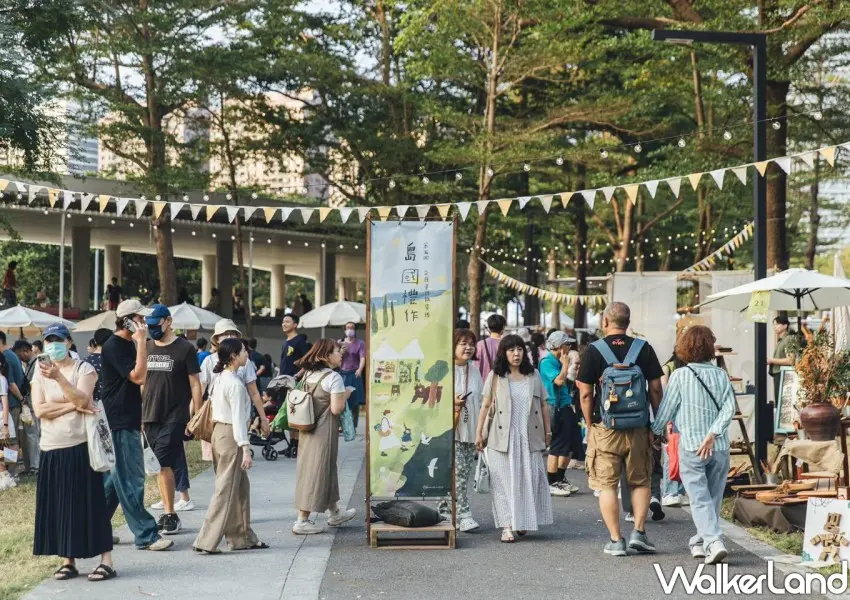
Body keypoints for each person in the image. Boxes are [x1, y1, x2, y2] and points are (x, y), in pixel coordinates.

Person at [576, 301, 663, 557]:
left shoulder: (594, 351)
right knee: (640, 480)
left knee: (607, 484)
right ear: (628, 322)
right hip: (638, 427)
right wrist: (656, 424)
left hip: (606, 428)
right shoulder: (643, 348)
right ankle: (639, 532)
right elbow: (656, 388)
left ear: (605, 322)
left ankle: (616, 540)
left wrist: (591, 424)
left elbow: (584, 392)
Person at [32, 323, 116, 582]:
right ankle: (69, 560)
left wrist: (59, 379)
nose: (53, 345)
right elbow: (40, 410)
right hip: (50, 446)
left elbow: (84, 400)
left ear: (69, 342)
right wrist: (72, 406)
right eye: (49, 341)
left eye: (58, 340)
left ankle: (106, 560)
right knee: (60, 506)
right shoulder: (39, 370)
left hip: (79, 446)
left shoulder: (84, 368)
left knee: (90, 503)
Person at [652, 325, 736, 565]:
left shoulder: (679, 375)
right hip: (718, 447)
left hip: (690, 446)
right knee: (713, 498)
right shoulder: (721, 375)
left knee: (699, 498)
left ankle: (713, 541)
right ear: (710, 347)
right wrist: (713, 433)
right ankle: (700, 542)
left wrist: (656, 433)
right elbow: (729, 408)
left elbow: (667, 409)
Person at [100, 300, 174, 551]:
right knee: (130, 479)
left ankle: (96, 528)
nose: (145, 323)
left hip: (128, 417)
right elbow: (139, 376)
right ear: (128, 320)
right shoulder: (114, 346)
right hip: (118, 420)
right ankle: (146, 534)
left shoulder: (128, 344)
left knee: (114, 481)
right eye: (140, 318)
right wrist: (142, 341)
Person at [475, 335, 553, 544]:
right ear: (503, 353)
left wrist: (548, 433)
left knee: (530, 480)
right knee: (502, 483)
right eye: (511, 350)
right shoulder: (496, 376)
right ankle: (507, 525)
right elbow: (485, 405)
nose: (516, 354)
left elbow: (544, 405)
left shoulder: (533, 374)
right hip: (500, 438)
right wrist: (479, 433)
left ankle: (523, 519)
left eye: (520, 349)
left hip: (529, 436)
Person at [194, 338, 268, 554]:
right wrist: (245, 448)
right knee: (226, 489)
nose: (248, 354)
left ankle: (241, 537)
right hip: (230, 436)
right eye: (244, 351)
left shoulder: (222, 378)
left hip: (221, 434)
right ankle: (206, 540)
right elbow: (237, 419)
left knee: (240, 488)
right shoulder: (234, 384)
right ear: (234, 356)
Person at [142, 305, 202, 535]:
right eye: (150, 324)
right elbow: (143, 382)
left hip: (175, 415)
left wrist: (195, 415)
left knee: (163, 460)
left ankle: (169, 513)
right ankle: (170, 511)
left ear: (168, 322)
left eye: (156, 323)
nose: (152, 328)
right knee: (159, 464)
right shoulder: (147, 346)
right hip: (150, 414)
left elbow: (195, 383)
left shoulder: (184, 348)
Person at [291, 339, 356, 535]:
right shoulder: (334, 378)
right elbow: (337, 408)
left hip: (307, 428)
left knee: (325, 468)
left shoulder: (309, 374)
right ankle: (302, 519)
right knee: (317, 471)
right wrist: (346, 394)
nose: (340, 354)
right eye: (337, 351)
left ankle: (334, 512)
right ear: (327, 356)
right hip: (324, 430)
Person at [199, 320, 270, 438]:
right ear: (217, 339)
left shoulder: (245, 361)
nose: (229, 337)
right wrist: (195, 415)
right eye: (225, 334)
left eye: (233, 334)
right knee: (215, 454)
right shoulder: (209, 361)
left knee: (238, 452)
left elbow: (254, 392)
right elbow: (200, 390)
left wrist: (263, 419)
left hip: (242, 417)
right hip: (215, 417)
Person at [539, 331, 582, 497]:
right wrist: (565, 365)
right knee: (557, 446)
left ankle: (560, 478)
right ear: (558, 346)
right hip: (554, 408)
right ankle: (551, 482)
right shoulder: (547, 362)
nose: (569, 347)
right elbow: (558, 381)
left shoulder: (557, 361)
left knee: (568, 445)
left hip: (566, 406)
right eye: (566, 344)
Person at [451, 329, 484, 532]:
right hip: (450, 430)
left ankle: (447, 513)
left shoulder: (474, 370)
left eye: (471, 343)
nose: (468, 347)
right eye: (463, 343)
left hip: (470, 429)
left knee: (462, 472)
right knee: (458, 473)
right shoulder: (445, 369)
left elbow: (481, 400)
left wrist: (482, 431)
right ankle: (463, 514)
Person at [660, 352, 688, 507]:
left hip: (685, 416)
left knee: (683, 454)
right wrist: (668, 420)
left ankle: (681, 492)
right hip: (673, 415)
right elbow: (666, 395)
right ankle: (670, 492)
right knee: (672, 453)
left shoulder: (688, 368)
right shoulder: (668, 368)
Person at [0, 331, 26, 471]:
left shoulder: (5, 357)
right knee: (9, 440)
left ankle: (10, 471)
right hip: (11, 405)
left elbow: (11, 384)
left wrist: (21, 399)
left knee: (10, 441)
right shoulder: (11, 354)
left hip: (9, 406)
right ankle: (8, 470)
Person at [338, 322, 366, 430]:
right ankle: (342, 425)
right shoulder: (340, 343)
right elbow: (336, 358)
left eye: (352, 328)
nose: (350, 330)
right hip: (343, 374)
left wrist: (360, 369)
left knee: (354, 401)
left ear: (355, 330)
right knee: (342, 400)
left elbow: (363, 358)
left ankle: (353, 426)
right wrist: (341, 351)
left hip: (354, 373)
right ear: (344, 330)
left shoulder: (360, 343)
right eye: (348, 328)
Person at [768, 315, 796, 403]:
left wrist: (771, 360)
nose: (774, 327)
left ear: (785, 325)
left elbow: (791, 360)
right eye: (773, 325)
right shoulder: (781, 340)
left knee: (782, 401)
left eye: (777, 324)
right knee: (778, 400)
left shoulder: (789, 339)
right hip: (778, 373)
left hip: (783, 374)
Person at [83, 329, 112, 406]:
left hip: (92, 402)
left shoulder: (85, 361)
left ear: (95, 342)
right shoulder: (115, 359)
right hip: (113, 400)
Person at [475, 314, 506, 381]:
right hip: (503, 383)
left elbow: (476, 367)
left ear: (489, 327)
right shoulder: (507, 344)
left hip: (484, 384)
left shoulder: (480, 344)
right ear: (503, 327)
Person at [0, 352, 15, 489]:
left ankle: (7, 475)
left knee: (10, 448)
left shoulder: (1, 379)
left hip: (1, 417)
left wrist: (5, 425)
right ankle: (5, 475)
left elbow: (5, 404)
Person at [280, 313, 310, 378]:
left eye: (287, 322)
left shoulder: (300, 341)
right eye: (283, 322)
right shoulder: (285, 342)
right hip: (283, 380)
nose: (284, 324)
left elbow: (308, 363)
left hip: (294, 382)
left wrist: (296, 376)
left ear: (295, 325)